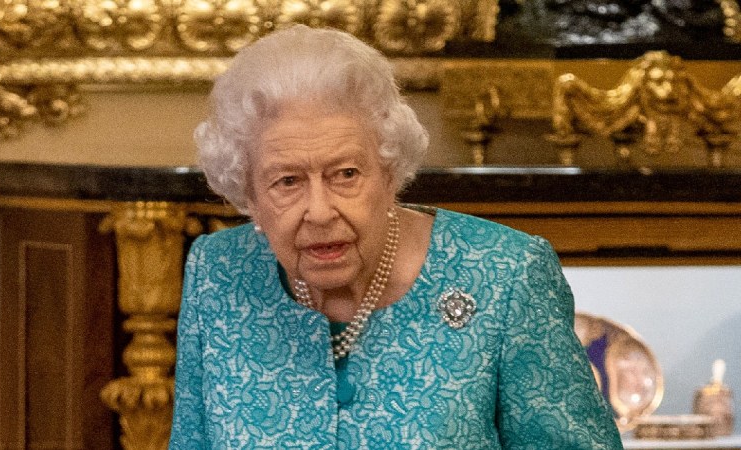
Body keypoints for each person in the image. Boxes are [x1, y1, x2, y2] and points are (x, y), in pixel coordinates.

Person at [170, 24, 623, 449]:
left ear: (389, 173)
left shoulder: (507, 274)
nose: (320, 211)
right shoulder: (217, 271)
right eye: (286, 181)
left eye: (346, 174)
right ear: (247, 193)